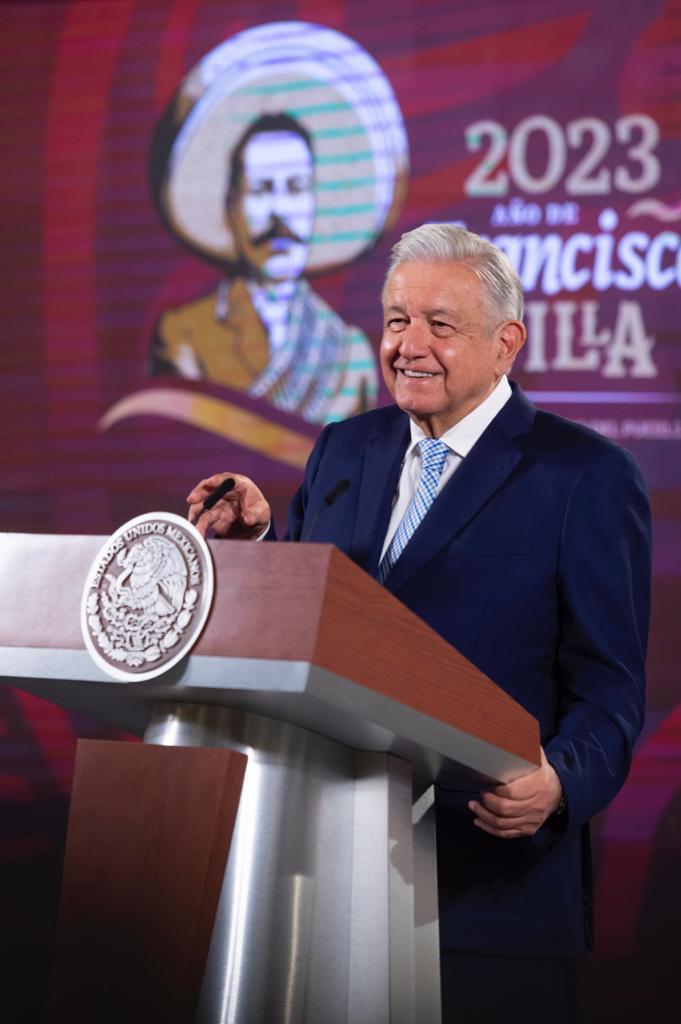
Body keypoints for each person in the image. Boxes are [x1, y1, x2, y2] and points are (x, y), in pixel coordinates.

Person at [186, 224, 651, 1022]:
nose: (408, 345)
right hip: (319, 878)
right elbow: (318, 631)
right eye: (396, 320)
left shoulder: (585, 476)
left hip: (486, 892)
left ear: (505, 344)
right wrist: (259, 546)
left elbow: (609, 691)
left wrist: (558, 783)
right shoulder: (343, 451)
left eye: (440, 325)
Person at [150, 113, 378, 424]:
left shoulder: (349, 354)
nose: (280, 212)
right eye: (261, 190)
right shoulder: (184, 335)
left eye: (296, 188)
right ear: (232, 205)